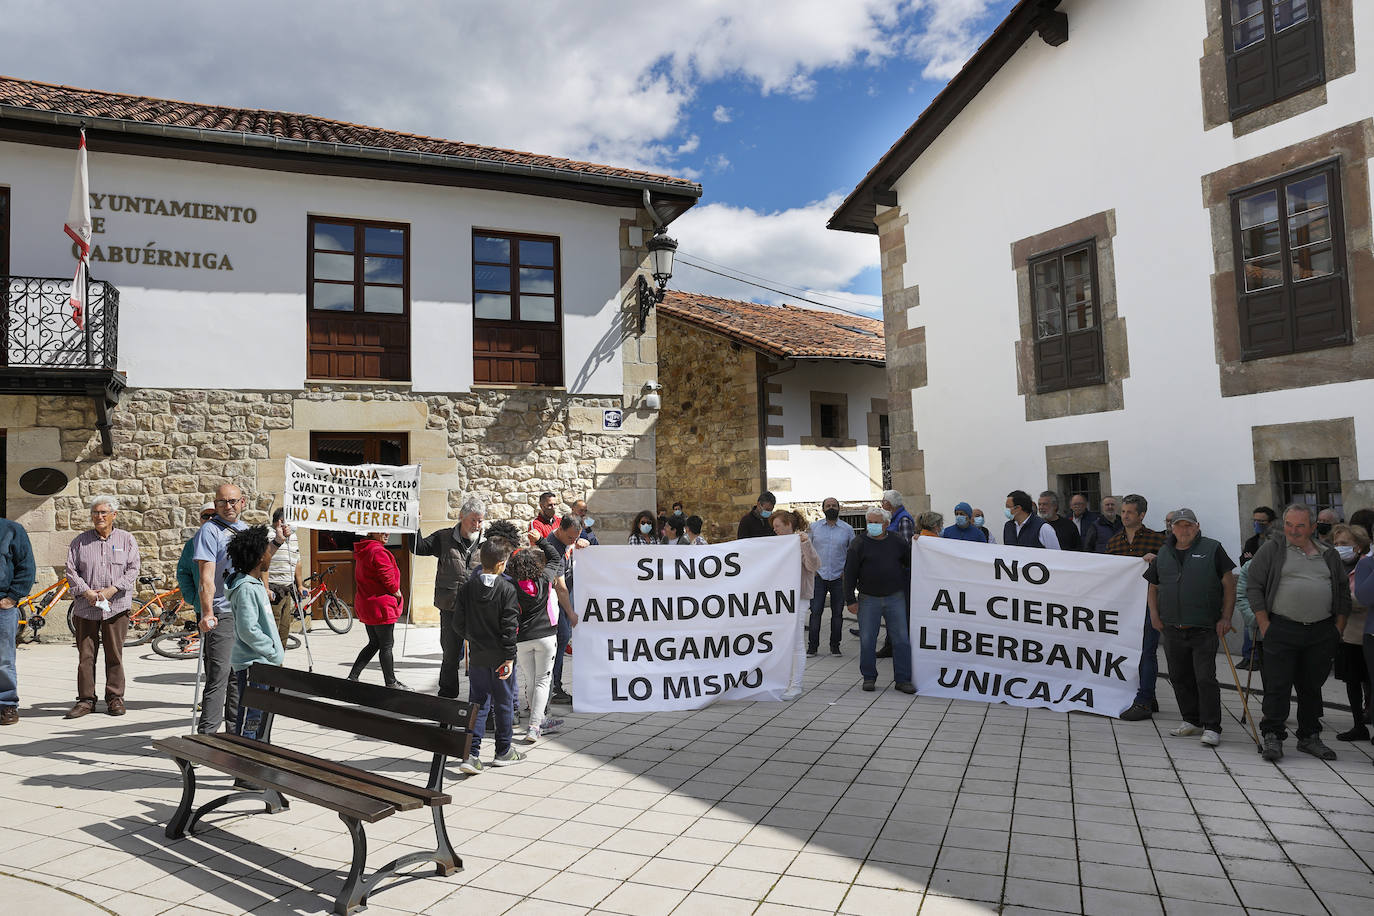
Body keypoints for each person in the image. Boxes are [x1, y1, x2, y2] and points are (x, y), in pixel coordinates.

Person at [1248, 503, 1350, 762]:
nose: (1293, 531)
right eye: (1289, 525)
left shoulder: (1328, 554)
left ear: (1313, 527)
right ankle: (1272, 735)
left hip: (1321, 631)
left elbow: (1341, 590)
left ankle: (1309, 736)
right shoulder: (1272, 549)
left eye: (1300, 525)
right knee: (1277, 684)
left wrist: (1338, 628)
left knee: (1312, 687)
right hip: (1281, 627)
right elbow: (1254, 586)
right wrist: (1264, 624)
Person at [195, 483, 287, 734]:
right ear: (215, 505)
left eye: (233, 501)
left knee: (240, 678)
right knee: (220, 676)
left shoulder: (245, 529)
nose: (229, 506)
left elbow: (260, 562)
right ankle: (207, 738)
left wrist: (277, 542)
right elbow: (206, 576)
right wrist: (207, 612)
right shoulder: (209, 531)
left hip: (243, 605)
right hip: (223, 611)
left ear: (243, 502)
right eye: (223, 502)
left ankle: (237, 736)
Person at [1144, 508, 1236, 747]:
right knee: (1179, 676)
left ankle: (1212, 726)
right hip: (1172, 627)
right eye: (1178, 526)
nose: (1183, 530)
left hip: (1204, 627)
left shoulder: (1212, 548)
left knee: (1205, 678)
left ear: (1196, 527)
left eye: (1188, 525)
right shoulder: (1163, 552)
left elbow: (1228, 583)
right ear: (1171, 528)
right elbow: (1153, 586)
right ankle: (1191, 720)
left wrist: (1226, 617)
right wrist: (1154, 614)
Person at [64, 496, 141, 719]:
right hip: (85, 606)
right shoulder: (80, 541)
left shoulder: (126, 540)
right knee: (85, 656)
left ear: (114, 515)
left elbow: (133, 569)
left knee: (114, 654)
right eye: (96, 513)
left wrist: (112, 589)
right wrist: (87, 591)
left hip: (116, 606)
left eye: (104, 513)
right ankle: (86, 700)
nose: (99, 517)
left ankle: (115, 697)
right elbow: (71, 571)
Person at [454, 539, 523, 772]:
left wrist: (472, 637)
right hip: (500, 657)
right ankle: (503, 750)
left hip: (478, 655)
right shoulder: (507, 589)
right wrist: (510, 657)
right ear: (502, 564)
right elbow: (509, 627)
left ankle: (471, 754)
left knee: (477, 704)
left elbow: (457, 623)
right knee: (503, 704)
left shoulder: (467, 587)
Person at [413, 496, 485, 699]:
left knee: (480, 657)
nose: (477, 525)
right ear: (461, 516)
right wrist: (414, 525)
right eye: (473, 520)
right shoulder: (443, 538)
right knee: (450, 655)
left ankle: (478, 703)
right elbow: (418, 548)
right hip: (451, 607)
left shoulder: (486, 542)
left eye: (480, 521)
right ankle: (447, 698)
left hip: (478, 610)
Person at [844, 506, 916, 694]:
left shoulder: (897, 541)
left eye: (876, 522)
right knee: (867, 639)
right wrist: (850, 599)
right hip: (868, 599)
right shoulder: (858, 543)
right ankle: (869, 677)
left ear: (886, 524)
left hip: (895, 597)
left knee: (901, 639)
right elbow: (850, 573)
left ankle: (903, 679)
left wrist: (919, 543)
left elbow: (911, 561)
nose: (872, 525)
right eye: (870, 522)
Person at [1110, 495, 1168, 721]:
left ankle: (1144, 701)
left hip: (1147, 605)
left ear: (1141, 515)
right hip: (1122, 608)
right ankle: (1145, 693)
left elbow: (1168, 571)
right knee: (1126, 651)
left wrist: (1157, 560)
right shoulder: (1114, 542)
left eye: (1129, 512)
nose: (1124, 516)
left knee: (1147, 652)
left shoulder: (1158, 541)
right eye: (1123, 512)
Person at [226, 525, 284, 742]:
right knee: (250, 719)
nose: (271, 553)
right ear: (260, 557)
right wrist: (271, 651)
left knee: (261, 719)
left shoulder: (254, 583)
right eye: (268, 550)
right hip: (254, 664)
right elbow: (248, 629)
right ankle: (243, 765)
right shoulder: (247, 589)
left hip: (263, 664)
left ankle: (258, 760)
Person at [508, 547, 563, 743]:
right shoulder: (546, 578)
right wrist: (539, 539)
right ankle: (534, 726)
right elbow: (555, 556)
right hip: (546, 636)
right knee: (542, 682)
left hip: (522, 638)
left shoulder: (511, 584)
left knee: (531, 681)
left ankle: (538, 720)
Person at [349, 532, 408, 688]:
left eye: (388, 529)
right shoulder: (378, 551)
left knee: (374, 643)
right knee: (386, 645)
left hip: (368, 604)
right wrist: (397, 591)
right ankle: (391, 682)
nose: (387, 533)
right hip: (380, 606)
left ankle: (353, 676)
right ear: (371, 532)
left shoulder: (365, 549)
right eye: (382, 530)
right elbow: (387, 577)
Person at [772, 509, 819, 700]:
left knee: (797, 640)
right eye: (773, 527)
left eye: (777, 526)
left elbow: (814, 565)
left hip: (799, 597)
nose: (774, 530)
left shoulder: (801, 542)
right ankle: (785, 681)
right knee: (785, 641)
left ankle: (797, 684)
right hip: (781, 598)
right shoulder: (776, 544)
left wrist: (805, 544)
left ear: (788, 525)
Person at [1331, 523, 1370, 741]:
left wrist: (1341, 600)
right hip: (1346, 635)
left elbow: (1363, 597)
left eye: (1344, 544)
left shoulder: (1367, 565)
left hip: (1365, 633)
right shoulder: (1336, 566)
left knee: (1369, 682)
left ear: (1358, 546)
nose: (1339, 548)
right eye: (1336, 544)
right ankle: (1358, 725)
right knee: (1352, 682)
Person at [539, 516, 583, 707]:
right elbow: (560, 587)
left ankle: (553, 685)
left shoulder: (566, 541)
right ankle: (553, 687)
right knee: (562, 637)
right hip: (555, 602)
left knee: (562, 639)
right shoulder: (553, 546)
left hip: (561, 602)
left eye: (576, 537)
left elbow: (583, 542)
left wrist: (580, 542)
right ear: (562, 530)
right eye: (571, 537)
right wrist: (571, 612)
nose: (573, 541)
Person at [0, 516, 37, 726]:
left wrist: (12, 597)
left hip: (2, 607)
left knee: (3, 660)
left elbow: (27, 567)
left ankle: (6, 704)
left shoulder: (12, 530)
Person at [808, 497, 853, 657]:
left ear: (839, 508)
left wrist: (846, 572)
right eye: (828, 505)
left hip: (839, 577)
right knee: (815, 612)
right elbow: (807, 550)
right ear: (823, 509)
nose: (831, 507)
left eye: (834, 505)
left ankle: (835, 646)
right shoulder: (813, 528)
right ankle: (812, 647)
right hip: (818, 576)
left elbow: (852, 553)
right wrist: (811, 569)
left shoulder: (847, 529)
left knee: (837, 614)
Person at [267, 508, 303, 648]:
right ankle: (270, 665)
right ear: (281, 521)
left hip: (287, 588)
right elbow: (263, 560)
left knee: (284, 629)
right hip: (273, 589)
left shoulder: (293, 537)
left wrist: (299, 585)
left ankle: (279, 661)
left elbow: (297, 561)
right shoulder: (269, 535)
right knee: (272, 630)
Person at [177, 503, 216, 622]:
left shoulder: (229, 540)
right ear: (200, 519)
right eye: (205, 516)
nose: (210, 519)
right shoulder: (192, 545)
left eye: (214, 515)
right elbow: (183, 572)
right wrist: (193, 598)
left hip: (228, 607)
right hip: (203, 606)